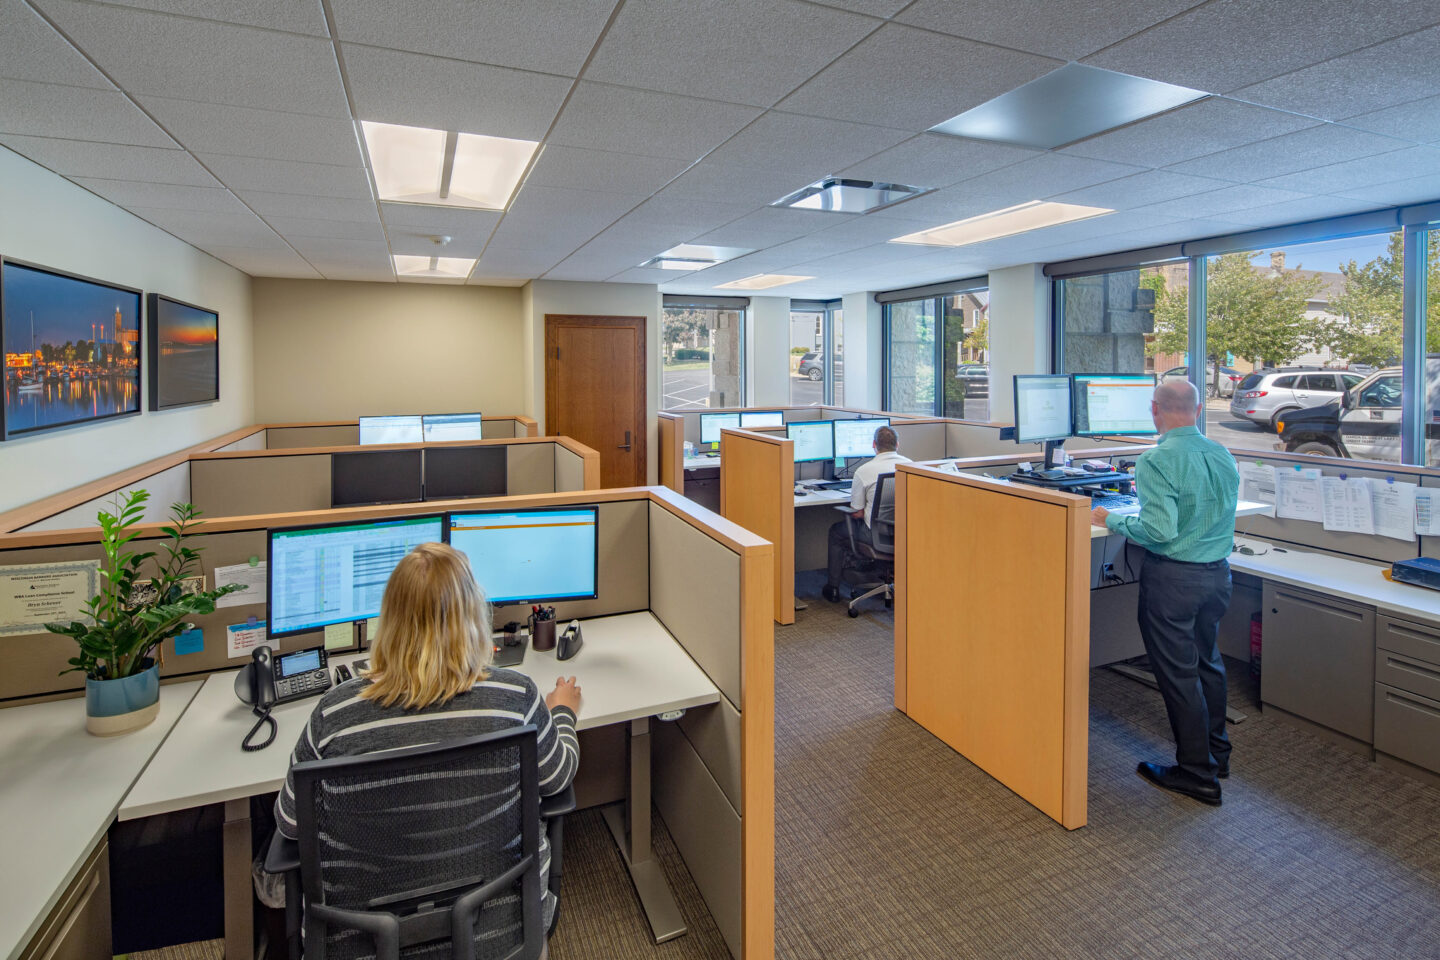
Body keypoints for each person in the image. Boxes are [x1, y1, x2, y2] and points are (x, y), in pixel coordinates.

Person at [275, 542, 581, 951]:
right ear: (473, 615)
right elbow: (557, 778)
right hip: (499, 934)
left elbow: (289, 824)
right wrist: (562, 713)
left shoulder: (334, 715)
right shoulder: (516, 698)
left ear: (390, 618)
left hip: (367, 944)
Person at [1092, 379, 1239, 807]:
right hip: (1217, 576)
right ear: (1196, 410)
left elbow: (1159, 530)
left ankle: (1197, 774)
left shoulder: (1156, 460)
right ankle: (1218, 754)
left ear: (1154, 409)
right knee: (1207, 662)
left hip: (1175, 580)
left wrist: (1112, 519)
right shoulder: (1221, 452)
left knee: (1179, 675)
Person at [823, 425, 910, 603]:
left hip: (875, 537)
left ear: (873, 445)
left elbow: (857, 513)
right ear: (898, 445)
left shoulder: (864, 471)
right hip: (905, 535)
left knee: (836, 531)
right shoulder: (911, 466)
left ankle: (832, 588)